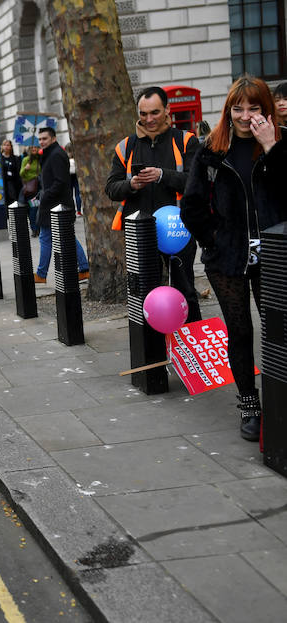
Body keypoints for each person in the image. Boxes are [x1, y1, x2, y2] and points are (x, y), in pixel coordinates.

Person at [182, 75, 286, 443]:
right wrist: (214, 239)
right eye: (237, 109)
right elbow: (191, 205)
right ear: (228, 110)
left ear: (265, 110)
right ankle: (249, 405)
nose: (244, 116)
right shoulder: (211, 150)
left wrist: (271, 146)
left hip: (275, 254)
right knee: (240, 331)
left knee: (279, 331)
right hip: (227, 258)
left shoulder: (281, 141)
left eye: (253, 108)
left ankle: (280, 400)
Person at [104, 85, 202, 322]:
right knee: (144, 295)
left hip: (178, 228)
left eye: (155, 112)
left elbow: (197, 182)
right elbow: (111, 189)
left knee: (185, 290)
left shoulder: (186, 141)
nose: (149, 119)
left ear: (167, 110)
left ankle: (191, 338)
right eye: (143, 114)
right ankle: (152, 343)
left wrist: (162, 175)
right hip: (140, 231)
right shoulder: (125, 146)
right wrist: (132, 184)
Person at [34, 126, 89, 284]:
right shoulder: (51, 153)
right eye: (40, 139)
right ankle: (84, 268)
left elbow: (60, 182)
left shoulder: (56, 154)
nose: (41, 142)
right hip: (54, 205)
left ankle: (41, 274)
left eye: (45, 138)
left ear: (53, 138)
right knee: (66, 237)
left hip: (56, 206)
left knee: (47, 238)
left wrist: (45, 195)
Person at [19, 145, 42, 236]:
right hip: (30, 189)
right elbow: (21, 174)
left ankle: (38, 228)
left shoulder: (40, 159)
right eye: (32, 148)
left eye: (35, 147)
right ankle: (34, 229)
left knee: (37, 208)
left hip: (39, 187)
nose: (34, 149)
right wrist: (25, 169)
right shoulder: (26, 160)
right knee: (33, 209)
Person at [0, 139, 22, 211]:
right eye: (4, 145)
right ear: (2, 147)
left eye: (8, 145)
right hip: (3, 184)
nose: (6, 147)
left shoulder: (15, 158)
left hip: (13, 184)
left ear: (11, 147)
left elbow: (18, 171)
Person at [65, 144, 82, 216]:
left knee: (70, 195)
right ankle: (79, 211)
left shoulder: (66, 159)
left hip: (69, 177)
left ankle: (71, 210)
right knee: (77, 194)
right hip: (76, 176)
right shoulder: (77, 158)